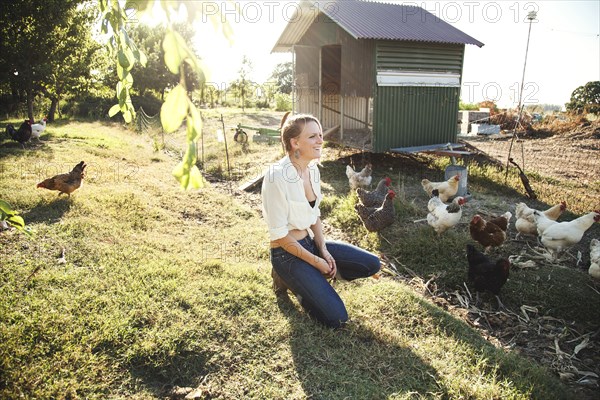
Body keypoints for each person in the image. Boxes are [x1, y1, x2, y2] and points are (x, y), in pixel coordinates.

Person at [261, 113, 381, 329]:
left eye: (320, 134)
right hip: (286, 253)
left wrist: (323, 250)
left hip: (309, 243)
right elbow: (279, 235)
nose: (320, 140)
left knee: (372, 263)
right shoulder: (276, 177)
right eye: (313, 136)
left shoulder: (313, 170)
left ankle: (311, 279)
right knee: (337, 319)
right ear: (295, 143)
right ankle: (284, 277)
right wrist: (316, 262)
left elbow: (314, 214)